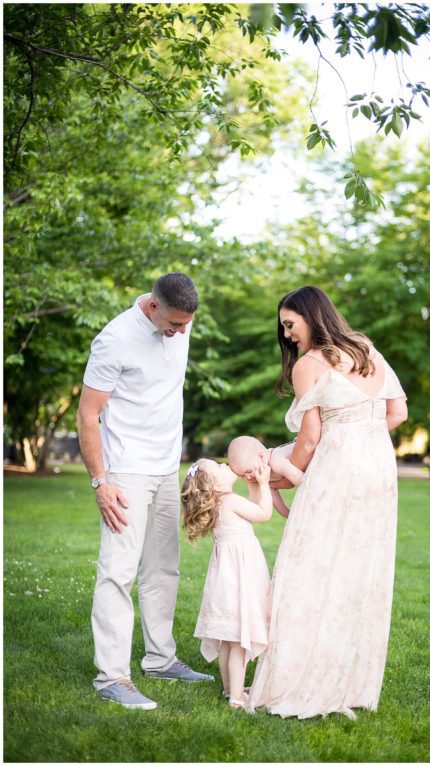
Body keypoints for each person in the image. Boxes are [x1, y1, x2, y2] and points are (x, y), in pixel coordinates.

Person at [246, 285, 408, 719]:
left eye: (289, 324)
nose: (287, 335)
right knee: (359, 571)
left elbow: (311, 438)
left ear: (311, 317)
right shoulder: (366, 349)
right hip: (378, 470)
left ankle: (299, 677)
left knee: (310, 566)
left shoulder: (309, 365)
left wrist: (282, 476)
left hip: (337, 470)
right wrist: (362, 440)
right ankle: (349, 680)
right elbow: (397, 414)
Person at [76, 273, 213, 711]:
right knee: (118, 572)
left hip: (164, 469)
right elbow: (87, 414)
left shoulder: (179, 324)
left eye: (187, 324)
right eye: (174, 324)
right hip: (125, 473)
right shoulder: (114, 340)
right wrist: (101, 482)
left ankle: (160, 659)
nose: (181, 332)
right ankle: (112, 676)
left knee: (163, 569)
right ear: (152, 307)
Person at [181, 457, 274, 709]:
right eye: (219, 467)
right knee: (240, 642)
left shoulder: (219, 504)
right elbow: (263, 512)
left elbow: (253, 508)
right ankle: (237, 697)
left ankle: (228, 688)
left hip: (226, 580)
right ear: (215, 485)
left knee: (227, 639)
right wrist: (264, 483)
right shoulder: (230, 501)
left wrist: (254, 486)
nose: (225, 465)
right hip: (241, 577)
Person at [226, 435, 304, 516]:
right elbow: (272, 495)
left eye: (249, 471)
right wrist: (288, 514)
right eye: (242, 476)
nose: (248, 477)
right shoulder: (264, 473)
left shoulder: (276, 461)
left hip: (307, 449)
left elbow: (301, 480)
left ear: (261, 457)